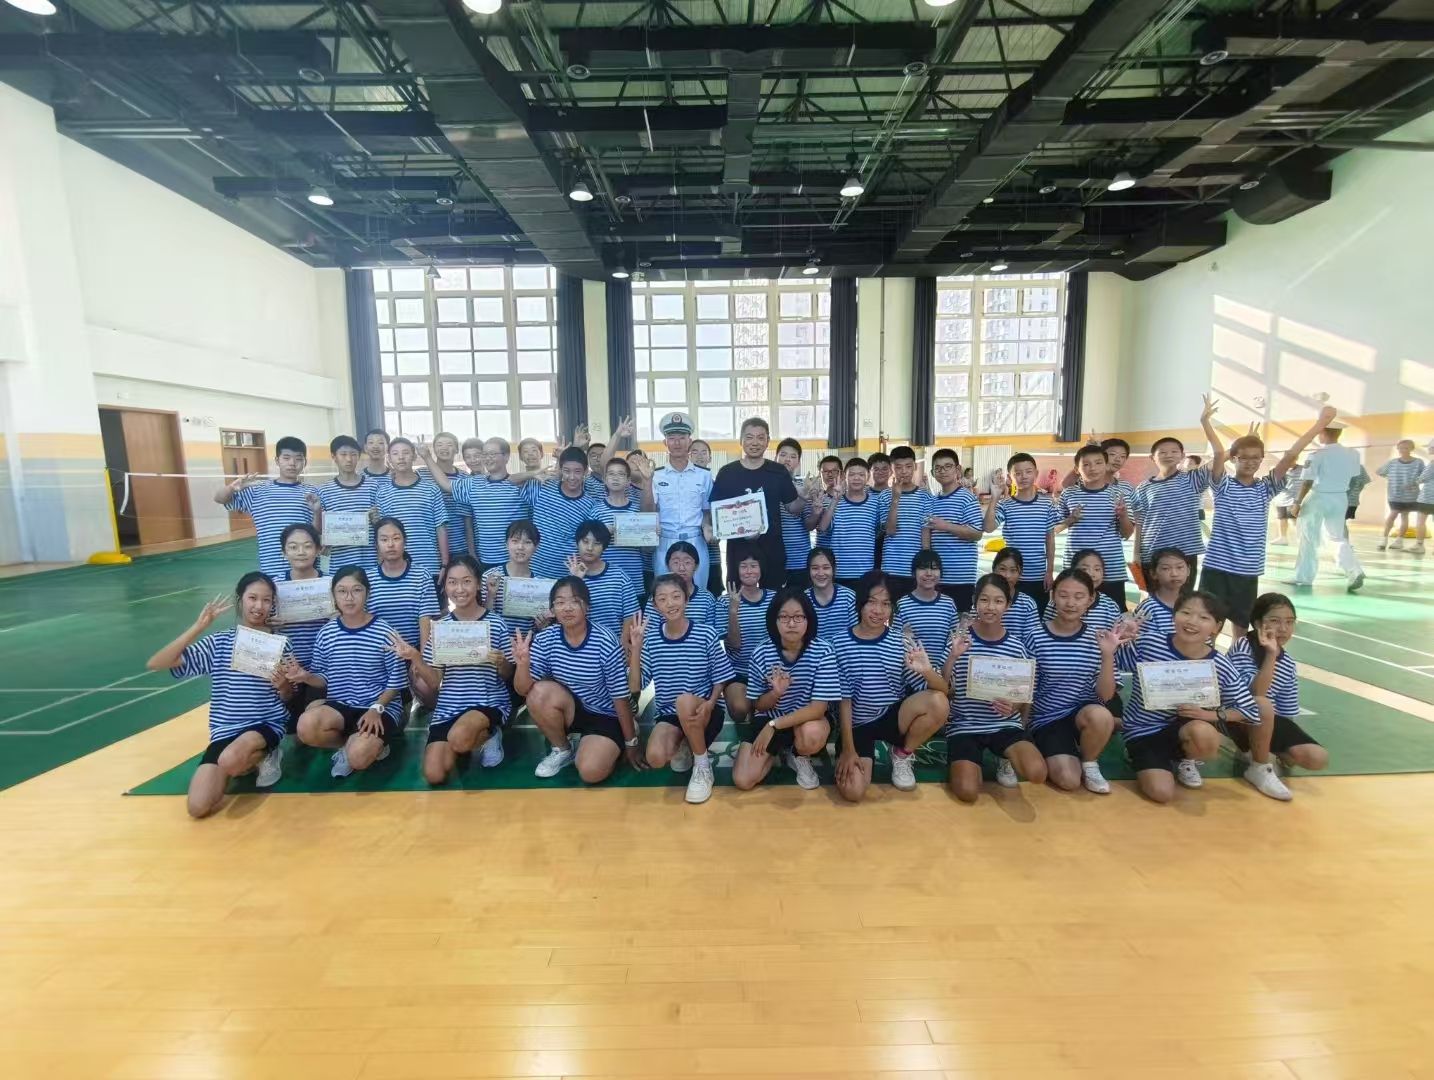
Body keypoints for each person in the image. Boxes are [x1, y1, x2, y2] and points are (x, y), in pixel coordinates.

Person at [146, 575, 291, 816]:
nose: (259, 606)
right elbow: (157, 663)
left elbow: (288, 697)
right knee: (197, 807)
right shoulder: (219, 643)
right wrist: (199, 627)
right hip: (225, 731)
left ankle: (267, 753)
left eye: (266, 600)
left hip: (265, 725)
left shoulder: (280, 644)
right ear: (240, 600)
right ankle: (242, 762)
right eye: (253, 598)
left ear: (272, 604)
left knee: (230, 759)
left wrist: (284, 685)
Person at [1115, 590, 1258, 803]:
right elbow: (1113, 659)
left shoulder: (1219, 664)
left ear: (1217, 627)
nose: (1192, 621)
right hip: (1143, 730)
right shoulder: (1149, 643)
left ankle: (1187, 758)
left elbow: (1248, 710)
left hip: (1186, 728)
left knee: (1205, 735)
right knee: (1161, 793)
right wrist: (1120, 637)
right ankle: (1136, 752)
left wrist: (1208, 715)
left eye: (1204, 617)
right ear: (1174, 615)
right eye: (1186, 613)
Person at [1200, 405, 1333, 632]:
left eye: (1256, 457)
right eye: (1243, 458)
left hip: (1248, 569)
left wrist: (1320, 424)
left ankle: (1237, 656)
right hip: (1217, 567)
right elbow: (1219, 454)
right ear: (1234, 459)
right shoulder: (1223, 486)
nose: (1250, 462)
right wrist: (1206, 422)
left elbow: (1290, 455)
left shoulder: (1265, 488)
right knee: (1209, 625)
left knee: (1241, 626)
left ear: (1262, 459)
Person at [387, 556, 512, 784]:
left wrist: (501, 662)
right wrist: (416, 657)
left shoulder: (496, 624)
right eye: (452, 582)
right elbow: (435, 682)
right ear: (445, 587)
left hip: (487, 701)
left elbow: (507, 675)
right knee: (434, 774)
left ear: (478, 584)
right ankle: (465, 741)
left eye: (466, 581)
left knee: (459, 738)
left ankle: (490, 734)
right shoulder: (441, 629)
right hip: (450, 706)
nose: (460, 589)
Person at [833, 573, 949, 801]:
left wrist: (926, 671)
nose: (878, 610)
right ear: (860, 604)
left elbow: (943, 690)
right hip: (856, 724)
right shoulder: (838, 643)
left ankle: (902, 754)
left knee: (939, 702)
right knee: (853, 792)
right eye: (872, 602)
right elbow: (843, 701)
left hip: (892, 717)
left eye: (886, 604)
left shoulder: (901, 642)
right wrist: (848, 749)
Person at [513, 577, 640, 783]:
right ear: (552, 609)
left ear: (587, 606)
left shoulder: (605, 641)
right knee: (538, 692)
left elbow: (620, 698)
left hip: (607, 713)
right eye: (560, 602)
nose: (567, 608)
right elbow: (523, 690)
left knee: (590, 772)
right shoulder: (545, 639)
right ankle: (563, 749)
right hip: (573, 709)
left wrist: (631, 742)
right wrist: (522, 664)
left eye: (575, 601)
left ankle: (619, 735)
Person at [287, 567, 407, 778]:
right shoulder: (326, 633)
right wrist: (306, 676)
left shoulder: (385, 632)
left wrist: (376, 708)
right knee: (305, 727)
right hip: (341, 705)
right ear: (333, 596)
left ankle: (369, 745)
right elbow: (324, 678)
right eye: (342, 591)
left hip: (379, 708)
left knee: (359, 758)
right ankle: (347, 746)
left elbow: (397, 682)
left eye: (357, 590)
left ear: (367, 593)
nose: (349, 598)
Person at [628, 577, 736, 804]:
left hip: (705, 710)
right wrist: (636, 649)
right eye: (662, 599)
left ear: (686, 600)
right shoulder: (651, 639)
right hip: (670, 713)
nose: (670, 603)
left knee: (684, 701)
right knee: (656, 757)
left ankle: (703, 767)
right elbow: (636, 686)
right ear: (655, 605)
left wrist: (710, 703)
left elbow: (721, 677)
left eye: (676, 596)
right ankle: (686, 743)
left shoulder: (705, 633)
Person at [941, 574, 1048, 802]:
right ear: (974, 601)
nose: (990, 607)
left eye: (998, 601)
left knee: (1037, 773)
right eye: (984, 600)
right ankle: (972, 762)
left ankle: (1004, 757)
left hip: (1004, 725)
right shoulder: (959, 641)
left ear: (1007, 605)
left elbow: (1024, 695)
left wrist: (1014, 706)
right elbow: (942, 685)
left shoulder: (1016, 647)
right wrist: (952, 657)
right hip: (965, 725)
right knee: (967, 791)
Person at [731, 587, 840, 791]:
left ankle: (799, 754)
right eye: (784, 617)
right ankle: (777, 752)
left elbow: (818, 708)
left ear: (808, 620)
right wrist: (775, 693)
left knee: (811, 734)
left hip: (805, 720)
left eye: (798, 617)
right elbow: (759, 705)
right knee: (743, 780)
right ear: (774, 620)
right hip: (770, 717)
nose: (791, 624)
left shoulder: (823, 651)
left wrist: (774, 725)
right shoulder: (761, 652)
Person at [1226, 593, 1330, 800]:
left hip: (1267, 721)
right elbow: (1255, 696)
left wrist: (1285, 744)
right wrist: (1271, 655)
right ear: (1258, 624)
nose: (1283, 628)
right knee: (1262, 704)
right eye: (1275, 621)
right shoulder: (1243, 646)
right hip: (1236, 717)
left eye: (1289, 622)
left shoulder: (1288, 663)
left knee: (1317, 758)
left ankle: (1259, 747)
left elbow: (1286, 712)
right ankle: (1259, 766)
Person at [1024, 568, 1119, 793]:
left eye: (1079, 596)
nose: (1070, 603)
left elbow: (1106, 695)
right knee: (1069, 781)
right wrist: (1023, 727)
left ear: (1090, 599)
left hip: (1083, 714)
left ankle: (1090, 762)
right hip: (1047, 719)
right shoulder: (1035, 636)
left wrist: (1107, 654)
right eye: (1063, 595)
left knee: (1102, 716)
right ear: (1053, 596)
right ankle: (1064, 748)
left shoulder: (1099, 638)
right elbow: (1026, 688)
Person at [1130, 396, 1221, 585]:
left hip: (1185, 553)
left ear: (1182, 456)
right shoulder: (1143, 488)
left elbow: (1220, 455)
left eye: (1174, 451)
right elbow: (1140, 523)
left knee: (1182, 599)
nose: (1168, 455)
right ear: (1152, 457)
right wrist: (1136, 554)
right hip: (1152, 553)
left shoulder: (1193, 479)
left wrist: (1205, 422)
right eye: (1162, 452)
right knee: (1153, 597)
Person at [710, 416, 804, 588]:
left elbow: (792, 508)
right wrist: (712, 528)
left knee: (773, 598)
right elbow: (716, 511)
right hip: (738, 550)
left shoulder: (778, 471)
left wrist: (804, 497)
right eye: (749, 437)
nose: (755, 442)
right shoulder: (727, 473)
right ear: (741, 440)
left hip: (772, 549)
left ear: (768, 441)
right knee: (739, 597)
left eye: (760, 438)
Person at [422, 436, 530, 577]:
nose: (488, 458)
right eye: (485, 454)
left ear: (506, 456)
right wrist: (427, 457)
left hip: (516, 559)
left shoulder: (521, 484)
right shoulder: (473, 483)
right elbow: (446, 485)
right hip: (486, 559)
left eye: (492, 454)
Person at [214, 435, 318, 577]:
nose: (292, 463)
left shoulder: (313, 492)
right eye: (286, 458)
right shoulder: (257, 490)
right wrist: (232, 487)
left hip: (306, 568)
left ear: (305, 462)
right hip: (271, 568)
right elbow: (219, 499)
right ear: (277, 460)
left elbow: (318, 530)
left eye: (298, 459)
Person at [1291, 420, 1366, 591]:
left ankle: (1303, 577)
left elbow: (1307, 481)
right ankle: (1354, 570)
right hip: (1340, 497)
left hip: (1319, 497)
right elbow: (1354, 476)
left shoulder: (1317, 454)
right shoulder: (1353, 454)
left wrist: (1297, 502)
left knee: (1308, 538)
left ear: (1323, 432)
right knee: (1336, 537)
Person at [1057, 444, 1135, 611]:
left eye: (1098, 463)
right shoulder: (1069, 494)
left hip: (1111, 567)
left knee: (1115, 614)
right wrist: (1070, 519)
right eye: (1086, 464)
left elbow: (1127, 534)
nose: (1092, 468)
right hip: (1076, 565)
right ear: (1077, 470)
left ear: (1106, 465)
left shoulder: (1119, 495)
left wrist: (1123, 516)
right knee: (1073, 610)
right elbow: (1055, 529)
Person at [644, 412, 715, 590]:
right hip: (665, 541)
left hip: (696, 541)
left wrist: (707, 526)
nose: (677, 443)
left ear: (689, 441)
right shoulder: (655, 475)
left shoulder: (704, 475)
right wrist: (647, 481)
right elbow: (648, 512)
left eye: (682, 437)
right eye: (672, 438)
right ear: (665, 442)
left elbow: (707, 511)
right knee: (666, 594)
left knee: (697, 593)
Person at [983, 452, 1060, 609]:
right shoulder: (1006, 505)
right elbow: (988, 528)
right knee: (1010, 614)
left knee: (1038, 614)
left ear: (1036, 474)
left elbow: (1050, 539)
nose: (1023, 476)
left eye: (1028, 472)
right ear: (1010, 478)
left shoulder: (1047, 505)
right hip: (1011, 576)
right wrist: (995, 498)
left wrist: (1049, 571)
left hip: (1038, 575)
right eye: (1017, 473)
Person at [271, 523, 329, 725]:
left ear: (318, 549)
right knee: (292, 726)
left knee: (314, 722)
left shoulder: (331, 584)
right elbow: (255, 624)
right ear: (283, 552)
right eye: (293, 547)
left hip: (324, 668)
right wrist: (267, 624)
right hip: (289, 668)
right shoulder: (273, 586)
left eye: (307, 546)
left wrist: (339, 616)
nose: (301, 552)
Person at [366, 518, 442, 667]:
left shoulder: (422, 575)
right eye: (384, 539)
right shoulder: (368, 579)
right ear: (376, 545)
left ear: (405, 541)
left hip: (414, 652)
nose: (390, 544)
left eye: (396, 538)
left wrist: (420, 660)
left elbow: (425, 620)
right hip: (379, 655)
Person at [519, 446, 599, 580]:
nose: (572, 477)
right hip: (534, 571)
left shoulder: (590, 505)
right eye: (567, 471)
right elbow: (511, 481)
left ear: (585, 471)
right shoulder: (543, 488)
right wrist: (534, 473)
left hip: (569, 574)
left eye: (577, 471)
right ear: (560, 470)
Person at [920, 449, 983, 610]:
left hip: (961, 577)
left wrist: (946, 526)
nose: (943, 471)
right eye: (938, 468)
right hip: (936, 577)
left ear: (957, 469)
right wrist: (927, 563)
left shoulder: (967, 498)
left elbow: (977, 534)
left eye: (948, 466)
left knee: (960, 620)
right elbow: (926, 530)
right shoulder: (932, 501)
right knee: (937, 619)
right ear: (932, 473)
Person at [374, 438, 448, 577]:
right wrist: (381, 564)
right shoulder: (383, 493)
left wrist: (444, 564)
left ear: (414, 456)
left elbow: (441, 527)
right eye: (395, 453)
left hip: (429, 565)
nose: (401, 457)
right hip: (395, 568)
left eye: (406, 452)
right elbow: (382, 533)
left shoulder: (431, 489)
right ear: (389, 458)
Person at [718, 552, 775, 726]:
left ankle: (759, 707)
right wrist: (733, 610)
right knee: (739, 710)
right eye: (743, 566)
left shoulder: (774, 598)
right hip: (739, 672)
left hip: (769, 671)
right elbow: (734, 644)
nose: (749, 571)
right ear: (736, 570)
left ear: (761, 569)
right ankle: (752, 705)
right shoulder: (724, 601)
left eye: (753, 566)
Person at [311, 435, 377, 572]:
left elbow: (381, 525)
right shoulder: (323, 491)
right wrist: (317, 513)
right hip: (337, 566)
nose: (349, 459)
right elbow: (317, 532)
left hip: (369, 564)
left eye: (353, 454)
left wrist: (377, 520)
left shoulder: (373, 487)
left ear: (358, 456)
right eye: (343, 454)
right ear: (334, 457)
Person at [817, 456, 882, 589]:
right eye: (852, 474)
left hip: (866, 572)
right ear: (844, 477)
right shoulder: (834, 502)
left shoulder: (875, 503)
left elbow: (878, 531)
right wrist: (835, 500)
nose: (856, 478)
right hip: (839, 572)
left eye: (861, 475)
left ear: (868, 476)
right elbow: (822, 528)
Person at [567, 520, 638, 638]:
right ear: (576, 543)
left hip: (613, 644)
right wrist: (576, 581)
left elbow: (630, 615)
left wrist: (623, 643)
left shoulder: (619, 577)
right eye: (585, 541)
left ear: (604, 547)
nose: (590, 548)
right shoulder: (571, 578)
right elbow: (567, 614)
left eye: (597, 543)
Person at [878, 446, 932, 601]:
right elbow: (890, 530)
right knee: (893, 609)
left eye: (908, 466)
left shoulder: (925, 496)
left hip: (916, 568)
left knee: (915, 609)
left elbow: (926, 532)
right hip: (892, 567)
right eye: (898, 467)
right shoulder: (885, 496)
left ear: (915, 467)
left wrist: (925, 564)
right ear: (892, 469)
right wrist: (895, 499)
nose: (904, 471)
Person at [592, 456, 648, 594]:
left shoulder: (637, 511)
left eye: (621, 474)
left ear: (629, 481)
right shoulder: (596, 510)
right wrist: (603, 532)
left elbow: (648, 549)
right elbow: (589, 544)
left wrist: (652, 533)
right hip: (604, 579)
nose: (615, 478)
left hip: (633, 576)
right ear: (604, 479)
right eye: (611, 474)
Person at [892, 549, 958, 666]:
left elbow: (954, 640)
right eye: (923, 568)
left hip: (942, 671)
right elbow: (897, 642)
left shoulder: (948, 603)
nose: (929, 573)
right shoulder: (902, 605)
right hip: (913, 670)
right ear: (914, 572)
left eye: (934, 568)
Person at [482, 521, 546, 635]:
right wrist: (491, 595)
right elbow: (482, 619)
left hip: (527, 643)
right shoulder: (490, 577)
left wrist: (542, 625)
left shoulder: (540, 585)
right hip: (496, 641)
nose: (520, 547)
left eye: (527, 542)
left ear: (536, 547)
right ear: (506, 544)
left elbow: (540, 629)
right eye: (515, 541)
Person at [640, 541, 719, 627]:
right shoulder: (658, 598)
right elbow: (650, 632)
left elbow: (712, 631)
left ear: (696, 566)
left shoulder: (707, 599)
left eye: (687, 562)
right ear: (667, 565)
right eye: (676, 563)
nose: (681, 568)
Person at [775, 438, 817, 589]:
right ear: (775, 458)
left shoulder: (804, 487)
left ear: (798, 462)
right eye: (783, 455)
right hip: (772, 560)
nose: (787, 459)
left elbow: (809, 525)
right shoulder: (765, 487)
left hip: (800, 561)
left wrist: (816, 512)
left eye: (793, 457)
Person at [426, 431, 474, 558]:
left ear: (457, 449)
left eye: (449, 444)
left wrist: (471, 552)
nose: (444, 448)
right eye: (439, 444)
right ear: (433, 449)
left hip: (460, 546)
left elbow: (468, 518)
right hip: (432, 549)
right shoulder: (421, 475)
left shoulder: (465, 477)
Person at [687, 439, 725, 595]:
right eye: (694, 452)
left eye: (704, 452)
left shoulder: (719, 486)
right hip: (688, 553)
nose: (699, 456)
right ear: (688, 457)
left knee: (713, 592)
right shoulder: (681, 487)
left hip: (712, 552)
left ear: (710, 458)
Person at [1376, 439, 1425, 552]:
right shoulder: (1392, 462)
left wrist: (1414, 483)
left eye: (1406, 448)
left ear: (1412, 449)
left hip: (1411, 496)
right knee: (1393, 514)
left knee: (1404, 516)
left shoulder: (1418, 462)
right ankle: (1384, 540)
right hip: (1395, 494)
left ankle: (1399, 541)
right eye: (1401, 448)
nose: (1403, 450)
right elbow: (1380, 471)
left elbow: (1424, 476)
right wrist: (1391, 479)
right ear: (1398, 449)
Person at [1133, 547, 1190, 640]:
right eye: (1166, 568)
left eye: (1180, 567)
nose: (1174, 574)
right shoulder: (1148, 608)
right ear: (1153, 573)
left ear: (1188, 571)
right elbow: (1141, 643)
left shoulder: (1195, 604)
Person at [1064, 548, 1125, 632]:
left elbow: (1118, 634)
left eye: (1097, 569)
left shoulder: (1110, 606)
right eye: (1084, 569)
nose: (1091, 574)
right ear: (1073, 571)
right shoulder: (1061, 601)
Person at [804, 546, 857, 643]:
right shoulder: (803, 599)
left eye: (826, 568)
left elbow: (857, 633)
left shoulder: (849, 598)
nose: (821, 573)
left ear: (834, 569)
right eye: (815, 568)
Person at [989, 548, 1041, 640]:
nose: (1007, 575)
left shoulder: (1027, 604)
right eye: (1002, 569)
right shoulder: (983, 599)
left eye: (1013, 570)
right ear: (994, 569)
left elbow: (1033, 640)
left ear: (1020, 573)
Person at [812, 454, 844, 552]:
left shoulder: (850, 499)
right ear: (820, 474)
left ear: (841, 473)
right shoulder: (817, 499)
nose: (830, 474)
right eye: (825, 471)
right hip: (823, 553)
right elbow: (815, 527)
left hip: (845, 554)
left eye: (834, 471)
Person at [1272, 461, 1303, 545]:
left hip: (1294, 499)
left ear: (1295, 459)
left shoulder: (1302, 469)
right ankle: (1283, 538)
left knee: (1294, 519)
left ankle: (1302, 538)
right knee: (1282, 518)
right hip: (1281, 498)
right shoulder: (1282, 470)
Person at [1414, 454, 1434, 556]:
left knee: (1421, 521)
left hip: (1428, 497)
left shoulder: (1433, 463)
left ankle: (1419, 546)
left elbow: (1423, 478)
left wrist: (1415, 482)